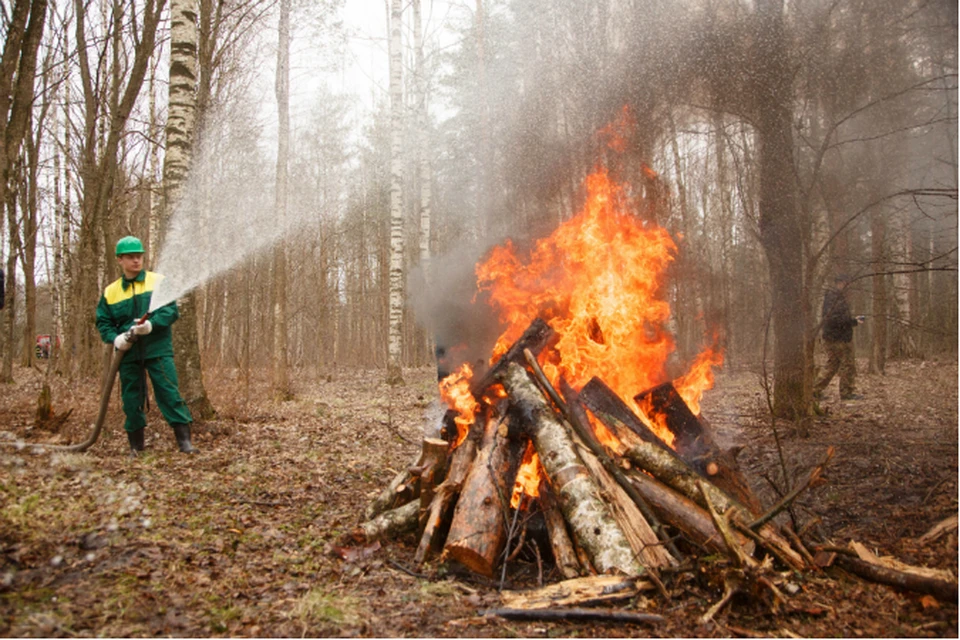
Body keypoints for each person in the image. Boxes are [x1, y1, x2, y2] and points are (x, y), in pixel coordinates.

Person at [96, 236, 197, 456]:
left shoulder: (158, 281)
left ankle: (185, 442)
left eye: (139, 256)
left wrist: (151, 325)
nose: (136, 261)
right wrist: (116, 338)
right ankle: (136, 447)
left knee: (169, 392)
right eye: (131, 257)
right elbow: (103, 322)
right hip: (127, 353)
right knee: (131, 399)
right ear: (120, 260)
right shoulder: (110, 292)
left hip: (158, 349)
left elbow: (170, 311)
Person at [814, 274, 865, 400]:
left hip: (832, 336)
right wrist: (853, 322)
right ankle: (847, 392)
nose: (848, 286)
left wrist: (852, 321)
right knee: (847, 365)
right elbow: (836, 319)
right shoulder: (835, 298)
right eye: (846, 283)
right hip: (839, 338)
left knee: (832, 365)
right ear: (841, 283)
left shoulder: (833, 297)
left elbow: (835, 318)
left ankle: (815, 390)